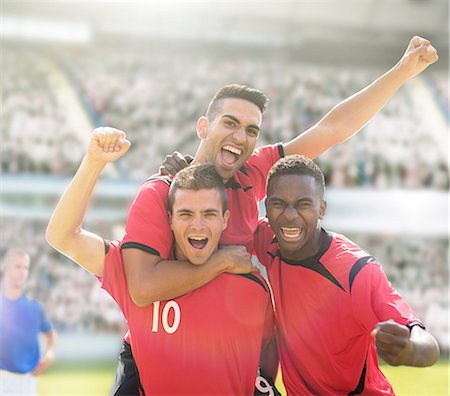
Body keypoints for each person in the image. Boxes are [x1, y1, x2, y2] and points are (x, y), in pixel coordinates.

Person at [117, 35, 438, 394]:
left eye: (251, 130)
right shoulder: (164, 190)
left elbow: (331, 129)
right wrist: (222, 261)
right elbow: (143, 287)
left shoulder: (253, 171)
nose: (240, 137)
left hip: (227, 356)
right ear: (203, 127)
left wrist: (402, 71)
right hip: (154, 353)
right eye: (230, 123)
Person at [46, 129, 279, 395]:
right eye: (185, 214)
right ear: (169, 218)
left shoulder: (252, 285)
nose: (198, 225)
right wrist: (93, 162)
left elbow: (269, 341)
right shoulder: (135, 273)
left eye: (209, 214)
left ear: (225, 219)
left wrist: (264, 383)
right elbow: (61, 236)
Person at [254, 155, 440, 395]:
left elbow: (428, 344)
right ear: (267, 206)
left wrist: (408, 350)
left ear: (322, 208)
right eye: (279, 204)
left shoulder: (357, 271)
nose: (290, 215)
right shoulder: (266, 239)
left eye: (303, 204)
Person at [0, 248, 57, 395]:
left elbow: (50, 334)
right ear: (5, 268)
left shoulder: (34, 308)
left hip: (28, 381)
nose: (22, 272)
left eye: (25, 267)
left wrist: (49, 355)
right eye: (17, 266)